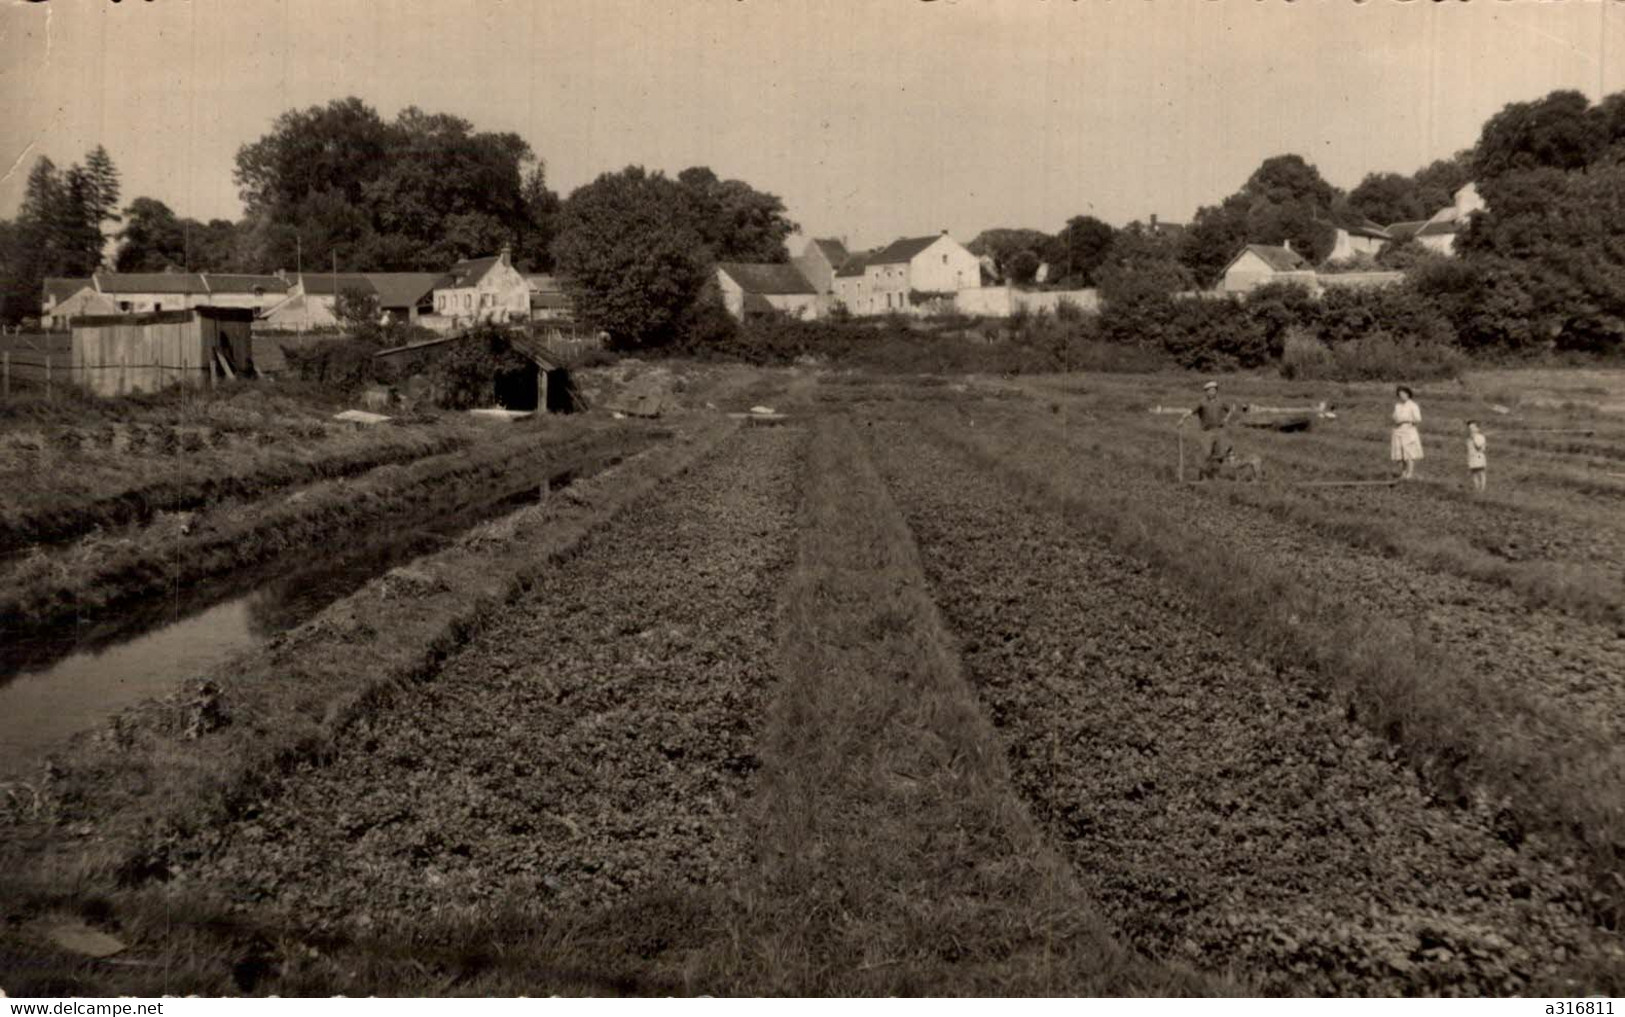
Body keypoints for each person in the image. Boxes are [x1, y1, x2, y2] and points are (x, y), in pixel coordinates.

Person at [1181, 380, 1236, 467]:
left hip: (1219, 430)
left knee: (1220, 453)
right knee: (1207, 453)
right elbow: (1191, 411)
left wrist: (1226, 419)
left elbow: (1231, 409)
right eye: (1210, 390)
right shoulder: (1202, 403)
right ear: (1206, 392)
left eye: (1214, 390)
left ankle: (1217, 473)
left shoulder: (1221, 401)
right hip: (1207, 432)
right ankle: (1205, 472)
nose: (1212, 392)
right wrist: (1183, 418)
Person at [1391, 385, 1423, 480]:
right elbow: (1394, 417)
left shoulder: (1413, 405)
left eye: (1404, 394)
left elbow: (1418, 419)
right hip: (1398, 430)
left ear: (1408, 394)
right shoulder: (1397, 406)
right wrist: (1397, 420)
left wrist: (1407, 420)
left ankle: (1410, 473)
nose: (1402, 396)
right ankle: (1403, 473)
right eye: (1400, 394)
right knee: (1400, 454)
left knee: (1409, 453)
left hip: (1408, 431)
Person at [1466, 419, 1488, 493]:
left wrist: (1474, 439)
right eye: (1470, 428)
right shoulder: (1468, 438)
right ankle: (1477, 488)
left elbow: (1481, 448)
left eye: (1473, 428)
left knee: (1481, 472)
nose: (1471, 430)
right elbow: (1469, 449)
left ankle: (1483, 489)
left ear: (1477, 429)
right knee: (1474, 473)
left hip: (1478, 456)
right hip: (1472, 456)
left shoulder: (1480, 437)